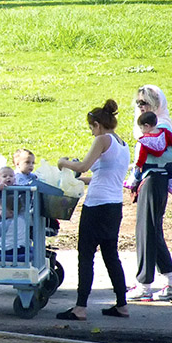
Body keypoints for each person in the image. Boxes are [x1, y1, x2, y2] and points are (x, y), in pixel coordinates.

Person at [55, 100, 131, 321]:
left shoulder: (102, 139)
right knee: (111, 255)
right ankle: (122, 304)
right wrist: (81, 181)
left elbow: (83, 166)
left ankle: (80, 307)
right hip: (114, 206)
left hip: (96, 206)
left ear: (97, 125)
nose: (91, 133)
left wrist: (64, 163)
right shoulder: (122, 143)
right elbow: (100, 175)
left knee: (86, 255)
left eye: (91, 128)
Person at [128, 86, 172, 302]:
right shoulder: (152, 126)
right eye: (139, 103)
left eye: (145, 102)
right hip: (150, 180)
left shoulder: (160, 127)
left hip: (154, 180)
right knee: (152, 230)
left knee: (147, 231)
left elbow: (171, 155)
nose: (141, 106)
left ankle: (144, 284)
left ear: (156, 104)